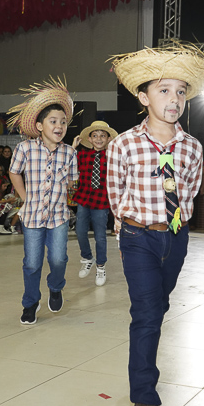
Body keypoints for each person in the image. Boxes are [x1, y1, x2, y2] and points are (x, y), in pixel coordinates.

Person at [106, 42, 204, 406]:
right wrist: (128, 224)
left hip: (176, 239)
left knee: (159, 307)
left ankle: (144, 378)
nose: (174, 99)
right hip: (138, 237)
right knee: (148, 314)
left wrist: (176, 223)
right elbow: (115, 192)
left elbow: (191, 190)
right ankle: (145, 403)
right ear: (143, 97)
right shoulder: (123, 144)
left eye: (181, 92)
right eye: (164, 90)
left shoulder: (192, 147)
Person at [8, 77, 78, 325]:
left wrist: (69, 183)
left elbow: (71, 182)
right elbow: (14, 172)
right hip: (32, 216)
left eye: (63, 122)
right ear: (39, 125)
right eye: (53, 121)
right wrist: (25, 198)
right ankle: (30, 303)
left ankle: (55, 287)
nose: (59, 126)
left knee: (59, 259)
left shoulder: (69, 152)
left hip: (58, 216)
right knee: (32, 263)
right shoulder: (25, 149)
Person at [71, 120, 118, 286]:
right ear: (89, 139)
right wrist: (73, 147)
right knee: (80, 231)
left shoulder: (111, 157)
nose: (99, 139)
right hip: (84, 198)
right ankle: (87, 257)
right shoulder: (82, 155)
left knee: (100, 236)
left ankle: (100, 266)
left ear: (108, 139)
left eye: (103, 136)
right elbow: (68, 164)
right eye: (95, 136)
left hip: (101, 200)